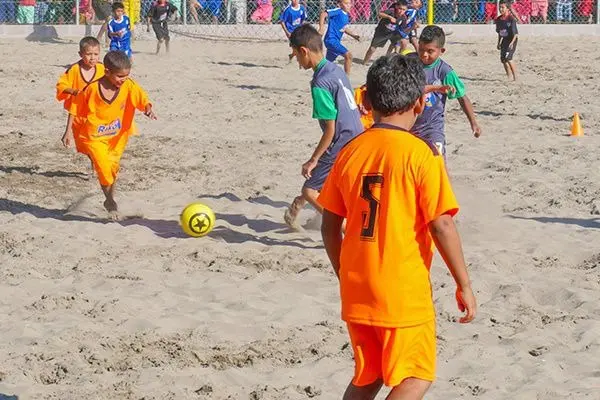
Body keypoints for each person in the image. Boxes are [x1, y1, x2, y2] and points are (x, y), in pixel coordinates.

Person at [319, 53, 477, 400]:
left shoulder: (350, 151)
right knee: (416, 375)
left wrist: (344, 272)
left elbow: (329, 225)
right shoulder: (421, 154)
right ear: (419, 103)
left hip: (357, 289)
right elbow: (442, 224)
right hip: (401, 291)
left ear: (368, 101)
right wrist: (464, 284)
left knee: (369, 375)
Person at [284, 24, 363, 230]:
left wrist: (313, 159)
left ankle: (347, 228)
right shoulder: (335, 69)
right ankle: (297, 209)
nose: (298, 62)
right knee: (326, 180)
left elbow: (330, 130)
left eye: (296, 56)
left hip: (342, 139)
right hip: (358, 134)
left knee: (310, 190)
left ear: (304, 51)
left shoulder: (320, 83)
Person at [72, 51, 157, 219]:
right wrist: (70, 132)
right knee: (103, 168)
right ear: (107, 72)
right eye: (120, 76)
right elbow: (76, 111)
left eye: (126, 76)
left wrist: (147, 108)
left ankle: (109, 199)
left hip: (117, 137)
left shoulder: (128, 85)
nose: (123, 79)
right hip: (95, 138)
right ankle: (110, 202)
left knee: (111, 169)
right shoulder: (92, 89)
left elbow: (141, 98)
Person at [413, 25, 481, 157]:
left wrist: (473, 123)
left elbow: (462, 97)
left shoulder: (445, 71)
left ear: (441, 51)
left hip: (432, 127)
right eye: (421, 49)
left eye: (430, 51)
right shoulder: (409, 63)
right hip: (407, 125)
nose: (424, 55)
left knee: (437, 160)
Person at [56, 36, 105, 153]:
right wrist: (73, 91)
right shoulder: (74, 69)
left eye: (96, 54)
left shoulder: (102, 69)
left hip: (98, 113)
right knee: (84, 146)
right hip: (78, 114)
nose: (92, 58)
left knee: (98, 145)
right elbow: (61, 86)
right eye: (89, 54)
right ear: (80, 54)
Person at [318, 0, 361, 76]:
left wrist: (353, 36)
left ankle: (318, 77)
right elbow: (323, 14)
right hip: (331, 40)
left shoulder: (346, 16)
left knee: (327, 64)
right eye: (346, 3)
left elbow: (344, 28)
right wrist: (321, 27)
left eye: (350, 3)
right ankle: (346, 79)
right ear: (340, 4)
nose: (349, 5)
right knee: (349, 56)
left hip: (336, 41)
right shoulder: (338, 11)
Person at [361, 0, 408, 66]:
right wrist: (389, 17)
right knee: (372, 49)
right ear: (396, 7)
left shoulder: (404, 17)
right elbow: (379, 14)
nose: (401, 11)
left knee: (402, 42)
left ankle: (390, 58)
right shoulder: (391, 11)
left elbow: (403, 28)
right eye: (400, 8)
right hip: (381, 32)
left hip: (392, 33)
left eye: (403, 9)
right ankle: (365, 62)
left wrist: (412, 27)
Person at [495, 0, 518, 81]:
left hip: (512, 40)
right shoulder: (498, 20)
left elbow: (515, 34)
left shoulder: (511, 19)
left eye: (502, 7)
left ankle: (515, 77)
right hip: (504, 40)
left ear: (508, 9)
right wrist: (498, 43)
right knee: (503, 59)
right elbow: (500, 33)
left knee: (508, 58)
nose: (501, 9)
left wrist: (511, 43)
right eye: (500, 7)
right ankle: (509, 76)